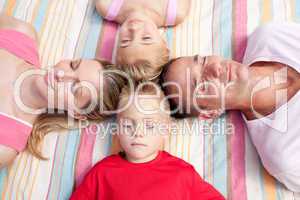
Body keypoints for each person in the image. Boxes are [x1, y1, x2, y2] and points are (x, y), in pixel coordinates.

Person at [159, 22, 300, 192]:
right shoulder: (286, 156)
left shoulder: (272, 37)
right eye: (202, 85)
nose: (215, 68)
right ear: (210, 112)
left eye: (203, 61)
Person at [0, 14, 126, 168]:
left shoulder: (5, 144)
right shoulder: (20, 34)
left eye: (75, 88)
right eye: (73, 65)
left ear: (77, 113)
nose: (61, 74)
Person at [70, 83, 225, 200]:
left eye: (150, 125)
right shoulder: (102, 172)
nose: (138, 133)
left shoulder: (182, 173)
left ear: (165, 130)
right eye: (128, 125)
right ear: (117, 130)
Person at [95, 0, 190, 81]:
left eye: (125, 40)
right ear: (163, 41)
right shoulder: (176, 11)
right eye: (146, 38)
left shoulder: (108, 6)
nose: (134, 29)